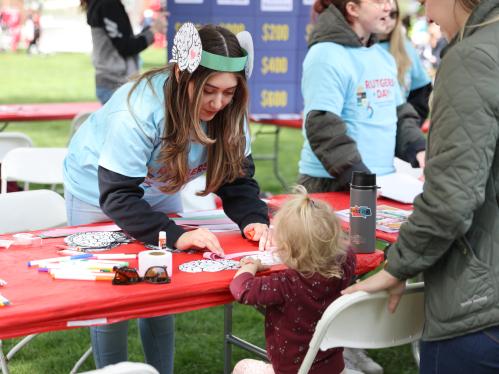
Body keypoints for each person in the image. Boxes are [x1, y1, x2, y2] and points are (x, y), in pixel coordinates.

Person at [63, 23, 270, 373]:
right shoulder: (138, 109)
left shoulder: (228, 115)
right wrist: (178, 235)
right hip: (96, 191)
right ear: (182, 74)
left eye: (229, 92)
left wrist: (254, 220)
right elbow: (117, 196)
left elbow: (236, 178)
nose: (219, 103)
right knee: (113, 295)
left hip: (159, 188)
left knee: (161, 291)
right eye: (209, 90)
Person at [344, 0, 499, 373]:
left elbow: (450, 201)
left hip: (479, 309)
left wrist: (398, 266)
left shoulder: (471, 57)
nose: (426, 13)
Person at [298, 0, 426, 196]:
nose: (388, 7)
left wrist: (419, 149)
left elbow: (399, 116)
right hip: (332, 184)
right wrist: (358, 177)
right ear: (352, 9)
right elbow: (323, 126)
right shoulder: (325, 55)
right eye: (378, 1)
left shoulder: (382, 56)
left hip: (379, 182)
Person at [230, 185, 356, 374]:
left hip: (292, 370)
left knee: (243, 368)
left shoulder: (287, 284)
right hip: (334, 367)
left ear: (287, 249)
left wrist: (250, 266)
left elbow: (242, 289)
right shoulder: (345, 264)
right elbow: (347, 249)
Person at [80, 0, 166, 104]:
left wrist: (152, 29)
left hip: (114, 84)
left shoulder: (108, 4)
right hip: (115, 85)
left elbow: (126, 41)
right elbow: (126, 46)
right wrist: (153, 30)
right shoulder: (107, 4)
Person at [378, 0, 432, 124]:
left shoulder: (406, 48)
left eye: (393, 15)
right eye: (383, 14)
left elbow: (421, 89)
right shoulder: (361, 49)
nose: (387, 19)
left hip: (400, 125)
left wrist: (410, 123)